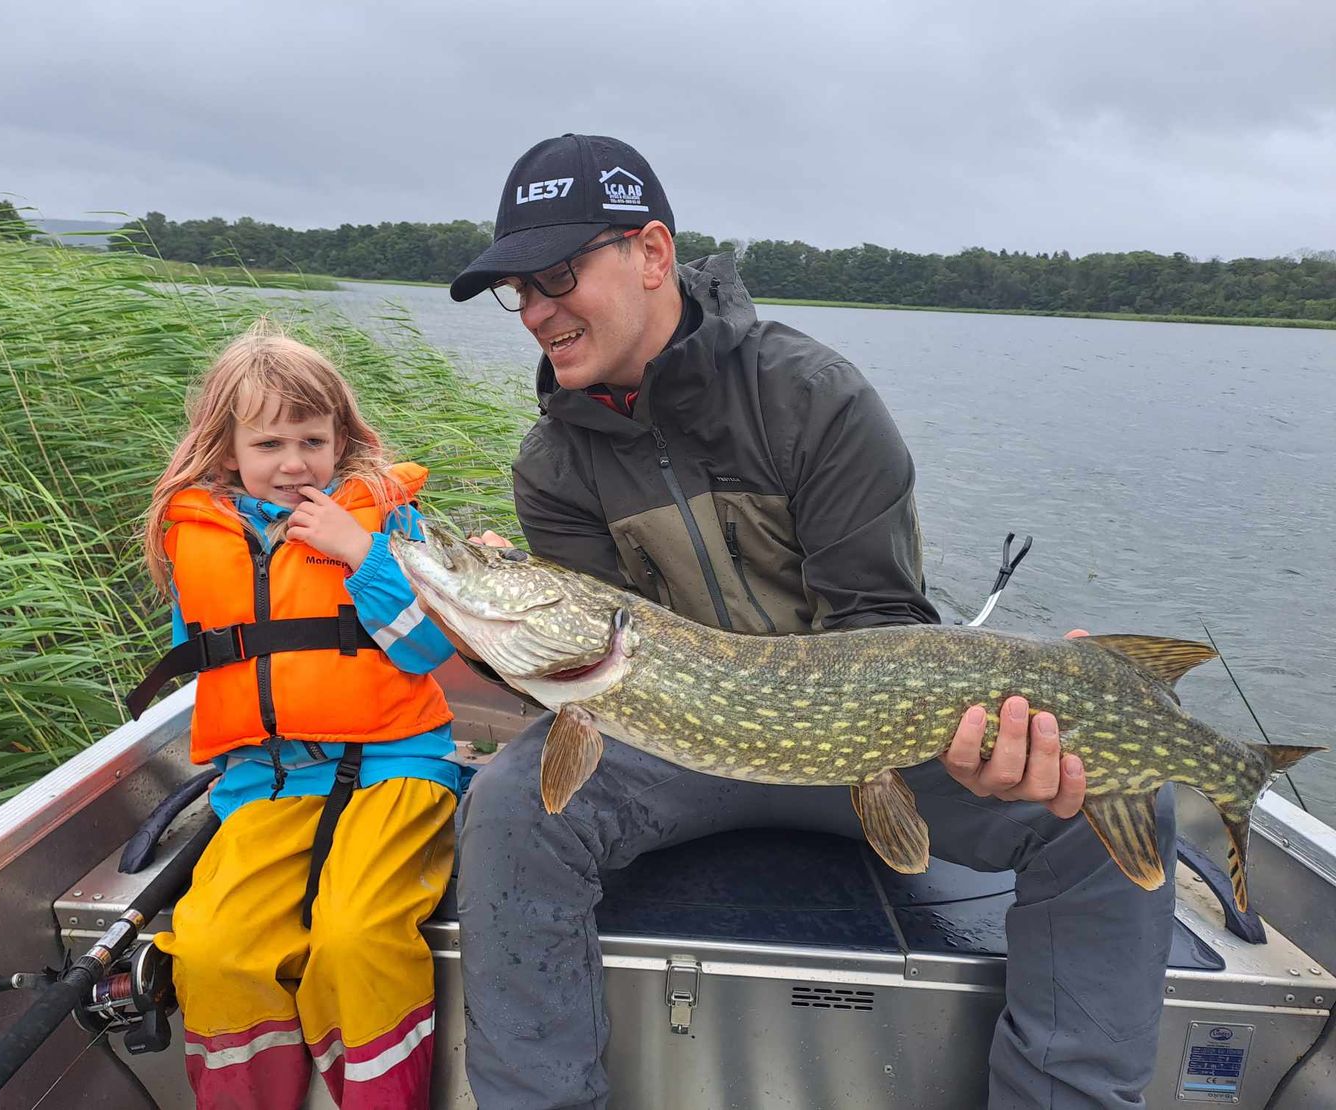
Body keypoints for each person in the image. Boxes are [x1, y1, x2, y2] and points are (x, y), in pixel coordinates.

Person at [447, 135, 1177, 1109]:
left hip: (865, 736)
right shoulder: (553, 464)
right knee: (509, 806)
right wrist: (494, 649)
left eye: (556, 276)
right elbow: (592, 672)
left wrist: (977, 730)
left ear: (651, 254)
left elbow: (882, 624)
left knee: (1113, 795)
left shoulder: (811, 398)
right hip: (680, 744)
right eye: (518, 291)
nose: (536, 310)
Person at [136, 320, 463, 1109]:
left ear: (341, 440)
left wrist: (362, 554)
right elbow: (207, 660)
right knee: (211, 948)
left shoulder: (382, 520)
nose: (294, 464)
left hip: (394, 769)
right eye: (270, 444)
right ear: (227, 451)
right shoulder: (197, 536)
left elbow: (427, 649)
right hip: (267, 782)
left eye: (313, 441)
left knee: (354, 937)